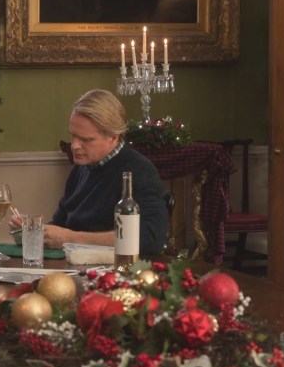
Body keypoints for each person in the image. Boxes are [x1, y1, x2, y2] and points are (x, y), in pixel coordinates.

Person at [13, 89, 168, 253]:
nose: (74, 146)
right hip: (75, 267)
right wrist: (35, 230)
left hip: (113, 273)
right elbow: (60, 224)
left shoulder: (140, 171)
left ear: (113, 137)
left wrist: (70, 239)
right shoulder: (81, 168)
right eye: (72, 136)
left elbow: (151, 239)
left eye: (86, 139)